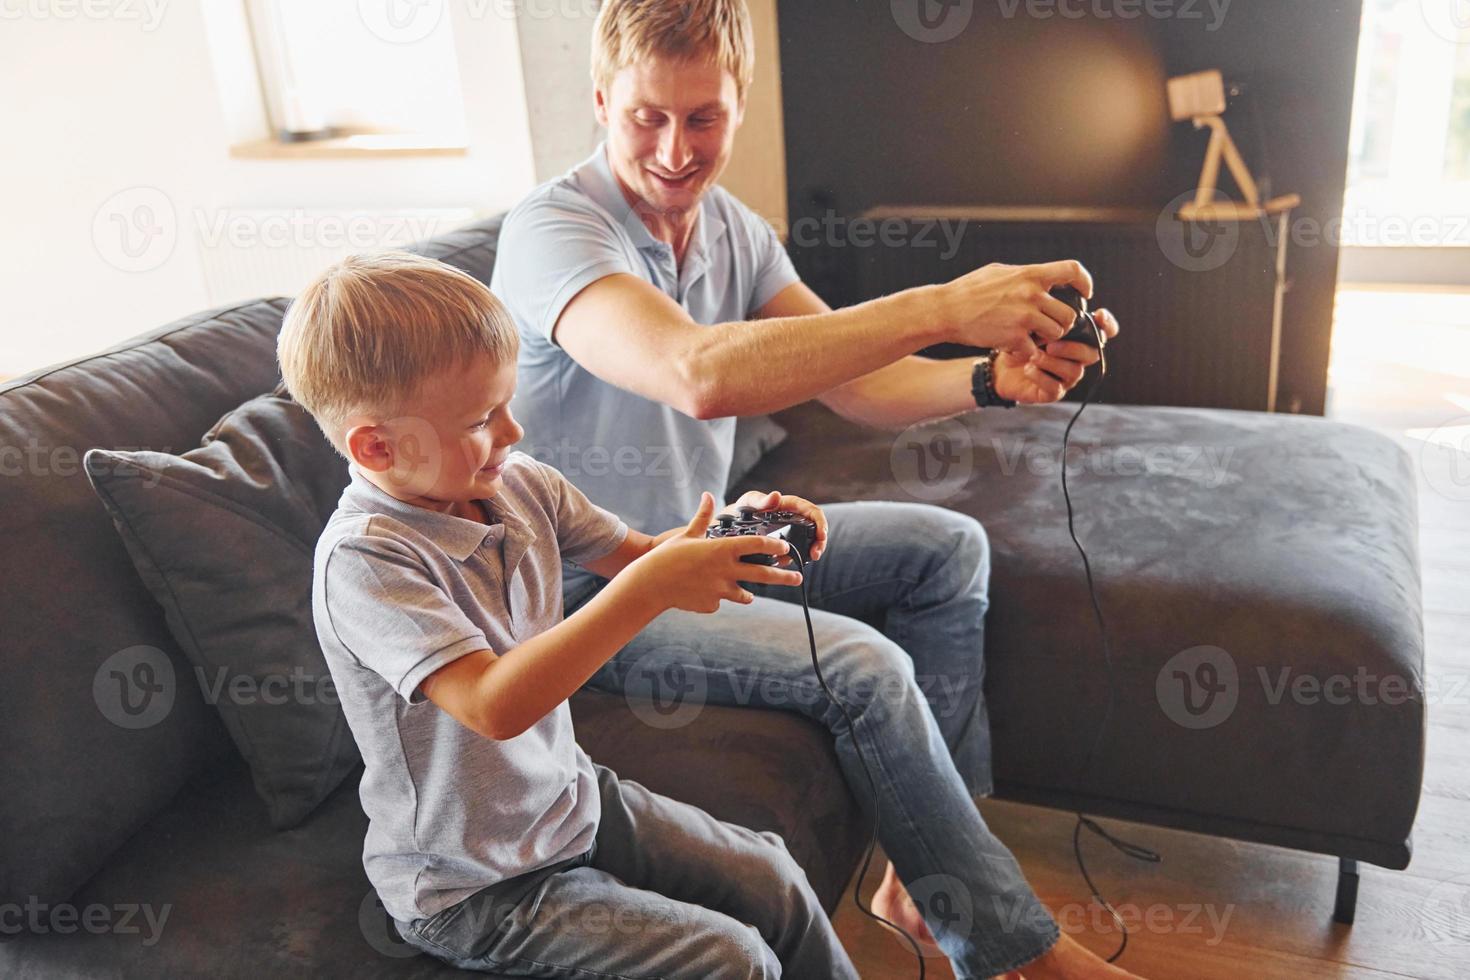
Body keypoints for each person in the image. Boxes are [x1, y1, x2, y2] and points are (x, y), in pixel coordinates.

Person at [492, 1, 1143, 977]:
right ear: (599, 100)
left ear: (740, 106)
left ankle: (925, 886)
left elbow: (857, 383)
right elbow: (696, 369)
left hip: (701, 540)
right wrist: (946, 304)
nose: (674, 148)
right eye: (645, 117)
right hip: (589, 588)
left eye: (703, 117)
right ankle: (1011, 951)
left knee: (945, 548)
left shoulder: (734, 233)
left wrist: (986, 376)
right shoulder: (555, 230)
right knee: (861, 663)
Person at [279, 251, 860, 978]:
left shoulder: (522, 484)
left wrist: (736, 529)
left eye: (507, 403)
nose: (513, 432)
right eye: (481, 419)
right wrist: (649, 587)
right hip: (476, 885)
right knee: (732, 961)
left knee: (773, 879)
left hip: (568, 800)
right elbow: (494, 705)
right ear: (375, 445)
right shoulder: (367, 562)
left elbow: (642, 553)